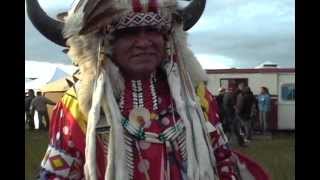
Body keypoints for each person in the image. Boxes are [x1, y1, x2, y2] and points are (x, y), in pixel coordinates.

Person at [27, 0, 269, 179]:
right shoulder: (80, 104)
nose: (144, 42)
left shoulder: (194, 97)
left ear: (168, 39)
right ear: (104, 44)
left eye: (153, 30)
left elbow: (222, 159)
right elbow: (56, 174)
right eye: (128, 32)